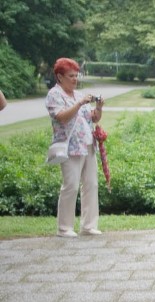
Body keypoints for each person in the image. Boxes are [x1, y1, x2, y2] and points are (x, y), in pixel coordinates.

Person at [45, 57, 104, 237]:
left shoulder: (78, 94)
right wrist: (79, 104)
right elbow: (61, 117)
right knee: (70, 185)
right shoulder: (55, 95)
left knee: (91, 184)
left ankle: (88, 225)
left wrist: (99, 108)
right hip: (69, 146)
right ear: (59, 77)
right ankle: (64, 228)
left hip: (87, 144)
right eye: (71, 76)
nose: (74, 79)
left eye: (76, 75)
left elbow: (93, 118)